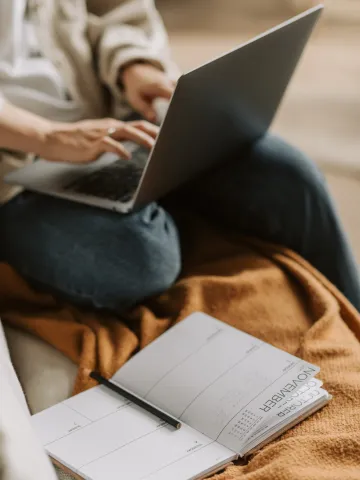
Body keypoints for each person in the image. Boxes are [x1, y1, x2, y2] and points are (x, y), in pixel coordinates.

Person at [0, 0, 359, 313]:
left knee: (292, 178)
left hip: (113, 117)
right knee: (142, 259)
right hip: (14, 171)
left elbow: (113, 8)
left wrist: (134, 65)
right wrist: (45, 136)